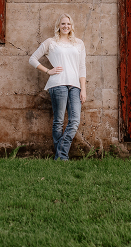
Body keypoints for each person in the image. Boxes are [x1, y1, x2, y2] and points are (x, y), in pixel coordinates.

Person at [29, 13, 87, 160]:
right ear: (58, 26)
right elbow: (32, 59)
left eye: (68, 24)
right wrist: (48, 71)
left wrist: (83, 89)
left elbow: (82, 67)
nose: (65, 26)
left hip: (75, 86)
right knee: (59, 121)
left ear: (71, 26)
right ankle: (62, 156)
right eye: (63, 24)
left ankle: (60, 153)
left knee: (74, 120)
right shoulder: (51, 42)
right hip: (57, 84)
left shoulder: (79, 43)